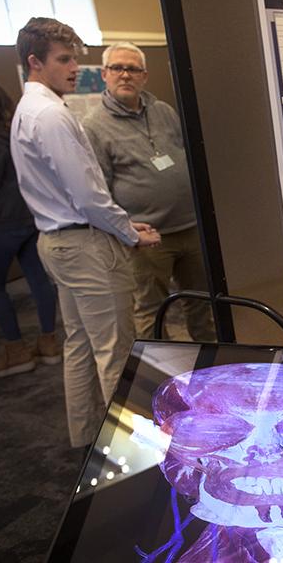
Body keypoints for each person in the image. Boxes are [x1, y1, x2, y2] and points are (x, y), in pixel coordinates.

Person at [10, 18, 161, 448]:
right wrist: (130, 234)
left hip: (58, 242)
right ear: (35, 62)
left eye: (75, 57)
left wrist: (124, 224)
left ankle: (87, 439)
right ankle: (131, 455)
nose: (76, 67)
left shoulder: (29, 109)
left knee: (78, 345)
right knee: (114, 352)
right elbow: (88, 195)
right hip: (83, 245)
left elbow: (73, 193)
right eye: (64, 59)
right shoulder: (53, 115)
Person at [83, 42, 215, 342]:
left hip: (190, 228)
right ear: (104, 74)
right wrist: (127, 230)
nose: (125, 75)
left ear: (144, 75)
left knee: (202, 304)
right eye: (117, 68)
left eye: (133, 69)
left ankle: (210, 367)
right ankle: (157, 378)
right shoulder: (93, 126)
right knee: (151, 313)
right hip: (145, 237)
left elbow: (186, 157)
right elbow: (98, 190)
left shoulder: (163, 111)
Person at [0, 81, 61, 378]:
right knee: (39, 280)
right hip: (31, 220)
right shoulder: (15, 132)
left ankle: (17, 351)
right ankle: (49, 344)